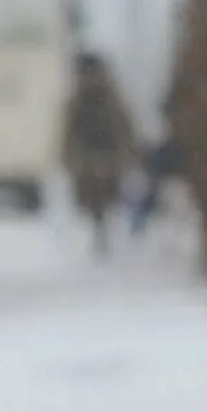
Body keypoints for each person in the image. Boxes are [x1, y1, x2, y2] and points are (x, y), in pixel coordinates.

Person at [62, 51, 138, 258]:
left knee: (111, 197)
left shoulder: (111, 100)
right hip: (88, 158)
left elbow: (123, 129)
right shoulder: (77, 102)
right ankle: (101, 232)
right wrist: (70, 158)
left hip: (109, 156)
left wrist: (126, 155)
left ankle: (112, 234)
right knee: (94, 200)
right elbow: (69, 133)